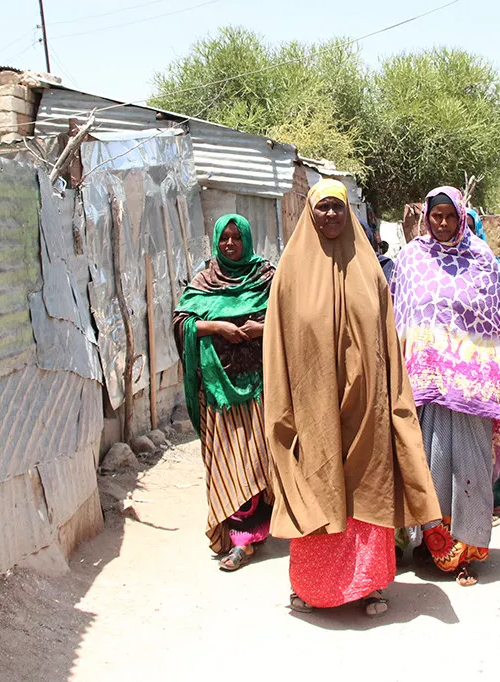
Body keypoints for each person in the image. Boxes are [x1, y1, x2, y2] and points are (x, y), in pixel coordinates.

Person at [263, 179, 441, 616]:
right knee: (317, 485)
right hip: (311, 405)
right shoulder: (289, 273)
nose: (330, 216)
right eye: (322, 208)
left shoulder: (369, 270)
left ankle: (370, 586)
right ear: (310, 212)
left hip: (366, 406)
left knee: (367, 486)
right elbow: (277, 348)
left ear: (349, 214)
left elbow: (385, 339)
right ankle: (312, 589)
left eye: (337, 209)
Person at [390, 187, 500, 587]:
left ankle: (467, 550)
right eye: (435, 216)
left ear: (462, 216)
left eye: (450, 216)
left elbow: (495, 320)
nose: (442, 223)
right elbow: (398, 317)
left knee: (470, 466)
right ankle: (428, 544)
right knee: (429, 461)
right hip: (422, 383)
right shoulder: (410, 260)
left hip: (471, 385)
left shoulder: (482, 260)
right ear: (426, 216)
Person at [173, 214, 275, 572]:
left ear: (247, 239)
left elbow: (288, 316)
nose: (230, 244)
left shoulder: (265, 277)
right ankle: (235, 535)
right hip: (217, 391)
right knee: (227, 461)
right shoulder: (204, 281)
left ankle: (250, 537)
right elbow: (181, 322)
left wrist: (259, 329)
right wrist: (216, 326)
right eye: (224, 239)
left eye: (236, 238)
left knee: (255, 458)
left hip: (259, 389)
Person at [465, 208, 500, 523]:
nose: (467, 234)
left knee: (494, 429)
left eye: (472, 228)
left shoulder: (489, 264)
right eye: (464, 227)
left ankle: (498, 499)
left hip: (491, 354)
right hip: (454, 362)